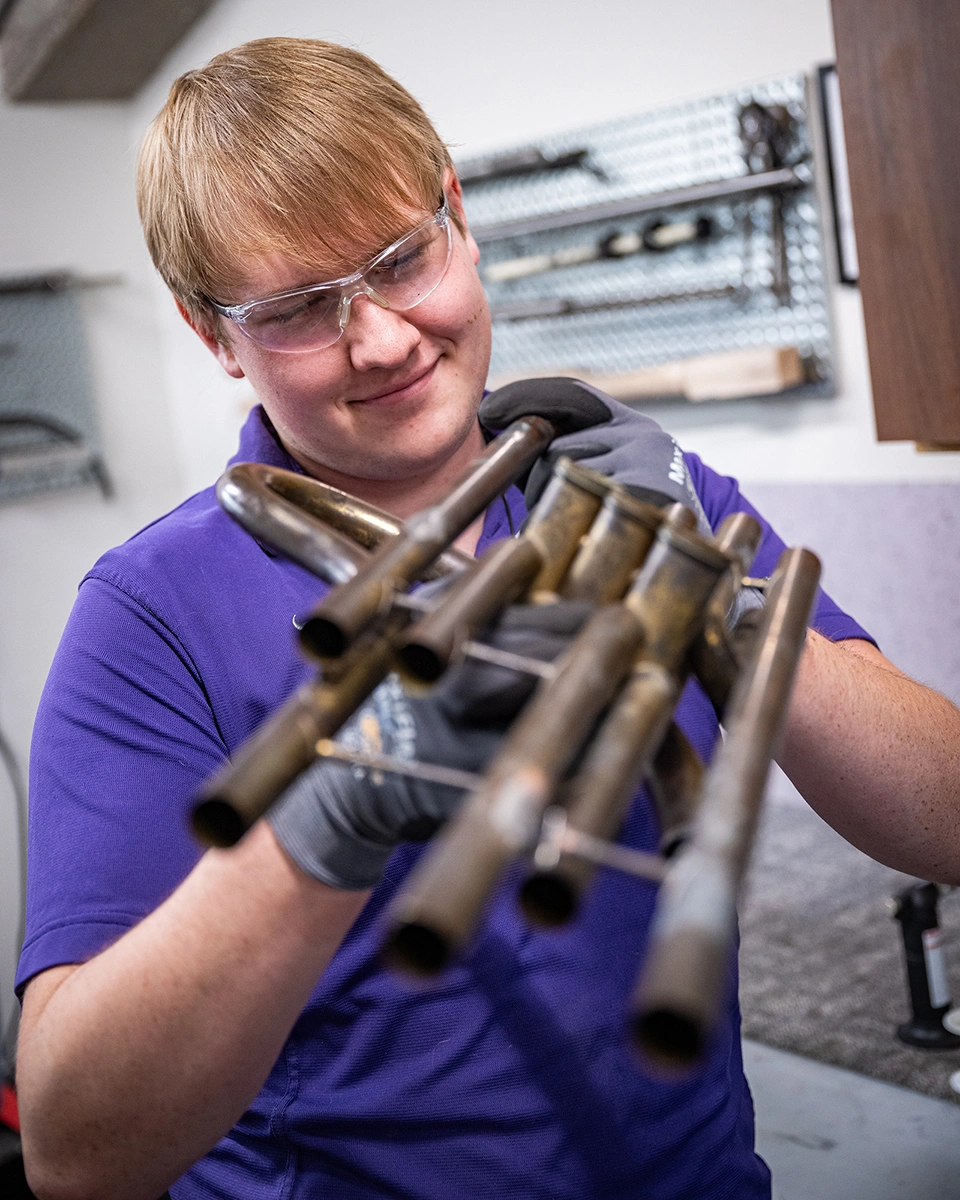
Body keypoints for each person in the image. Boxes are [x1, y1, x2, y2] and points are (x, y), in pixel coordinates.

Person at [14, 37, 960, 1200]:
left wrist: (721, 593)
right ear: (215, 334)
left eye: (403, 259)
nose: (383, 339)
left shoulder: (648, 494)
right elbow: (71, 1149)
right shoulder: (150, 616)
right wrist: (331, 815)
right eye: (301, 309)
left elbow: (945, 821)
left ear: (457, 215)